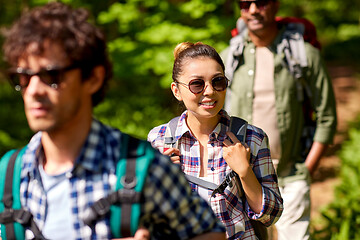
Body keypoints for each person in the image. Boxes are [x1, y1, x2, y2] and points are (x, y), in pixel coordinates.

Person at [0, 2, 227, 240]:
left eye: (51, 75)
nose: (33, 90)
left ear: (93, 78)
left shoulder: (142, 167)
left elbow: (210, 234)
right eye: (24, 77)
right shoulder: (8, 175)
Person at [221, 0, 337, 239]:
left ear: (275, 5)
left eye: (260, 2)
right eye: (245, 3)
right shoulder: (228, 58)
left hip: (290, 176)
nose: (253, 9)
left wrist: (307, 169)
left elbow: (327, 116)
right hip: (241, 179)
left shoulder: (304, 55)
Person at [147, 42, 283, 240]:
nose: (209, 91)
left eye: (217, 81)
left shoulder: (251, 138)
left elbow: (271, 215)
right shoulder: (159, 140)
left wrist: (245, 172)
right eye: (197, 84)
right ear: (176, 90)